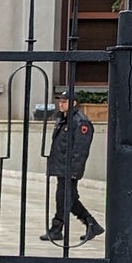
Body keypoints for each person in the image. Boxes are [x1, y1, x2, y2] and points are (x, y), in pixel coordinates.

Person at [42, 86, 102, 244]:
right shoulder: (62, 119)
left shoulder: (80, 121)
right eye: (60, 101)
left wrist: (75, 171)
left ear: (73, 103)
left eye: (64, 101)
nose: (61, 104)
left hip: (69, 168)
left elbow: (81, 150)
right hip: (61, 166)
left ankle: (57, 228)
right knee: (69, 198)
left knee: (64, 197)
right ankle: (91, 224)